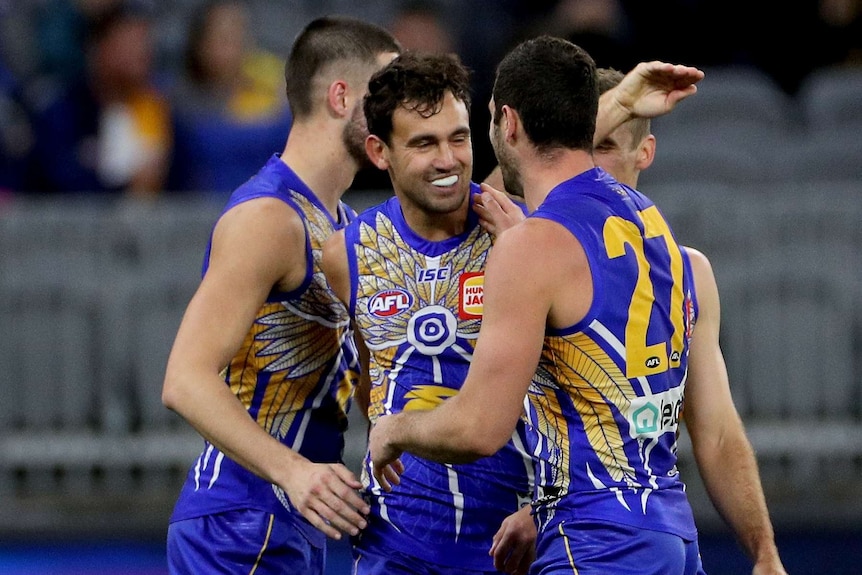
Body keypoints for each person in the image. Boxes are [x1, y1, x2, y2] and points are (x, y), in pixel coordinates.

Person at [368, 36, 787, 575]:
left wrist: (394, 429)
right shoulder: (669, 245)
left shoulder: (534, 246)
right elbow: (716, 431)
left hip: (595, 544)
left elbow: (478, 429)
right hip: (672, 539)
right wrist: (765, 552)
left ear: (508, 124)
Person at [161, 16, 401, 575]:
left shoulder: (343, 224)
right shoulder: (267, 219)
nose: (400, 112)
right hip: (239, 524)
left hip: (289, 520)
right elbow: (185, 379)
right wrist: (294, 472)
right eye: (386, 93)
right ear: (343, 97)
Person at [321, 51, 536, 575]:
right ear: (379, 151)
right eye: (424, 143)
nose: (448, 160)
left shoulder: (522, 235)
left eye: (458, 138)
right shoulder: (345, 253)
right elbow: (370, 372)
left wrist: (544, 506)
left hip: (512, 545)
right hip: (395, 544)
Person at [26, 3, 172, 197]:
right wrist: (123, 186)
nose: (141, 52)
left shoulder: (158, 108)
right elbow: (56, 182)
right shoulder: (63, 114)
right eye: (128, 43)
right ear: (99, 48)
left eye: (144, 42)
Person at [165, 0, 294, 196]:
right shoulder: (181, 102)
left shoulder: (269, 92)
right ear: (200, 44)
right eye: (224, 37)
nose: (237, 46)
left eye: (241, 34)